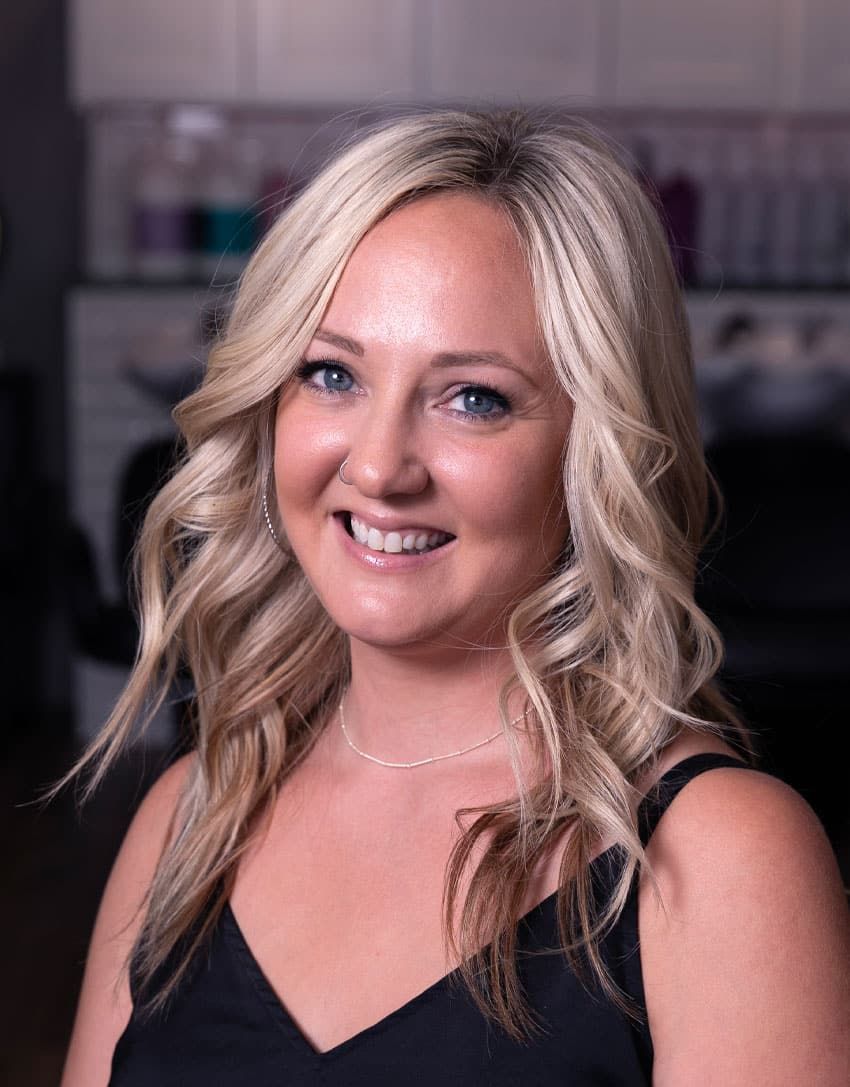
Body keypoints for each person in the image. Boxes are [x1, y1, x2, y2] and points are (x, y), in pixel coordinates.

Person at [59, 110, 850, 1085]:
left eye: (472, 396)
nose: (381, 464)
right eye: (330, 373)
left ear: (589, 450)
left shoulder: (717, 860)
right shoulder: (192, 819)